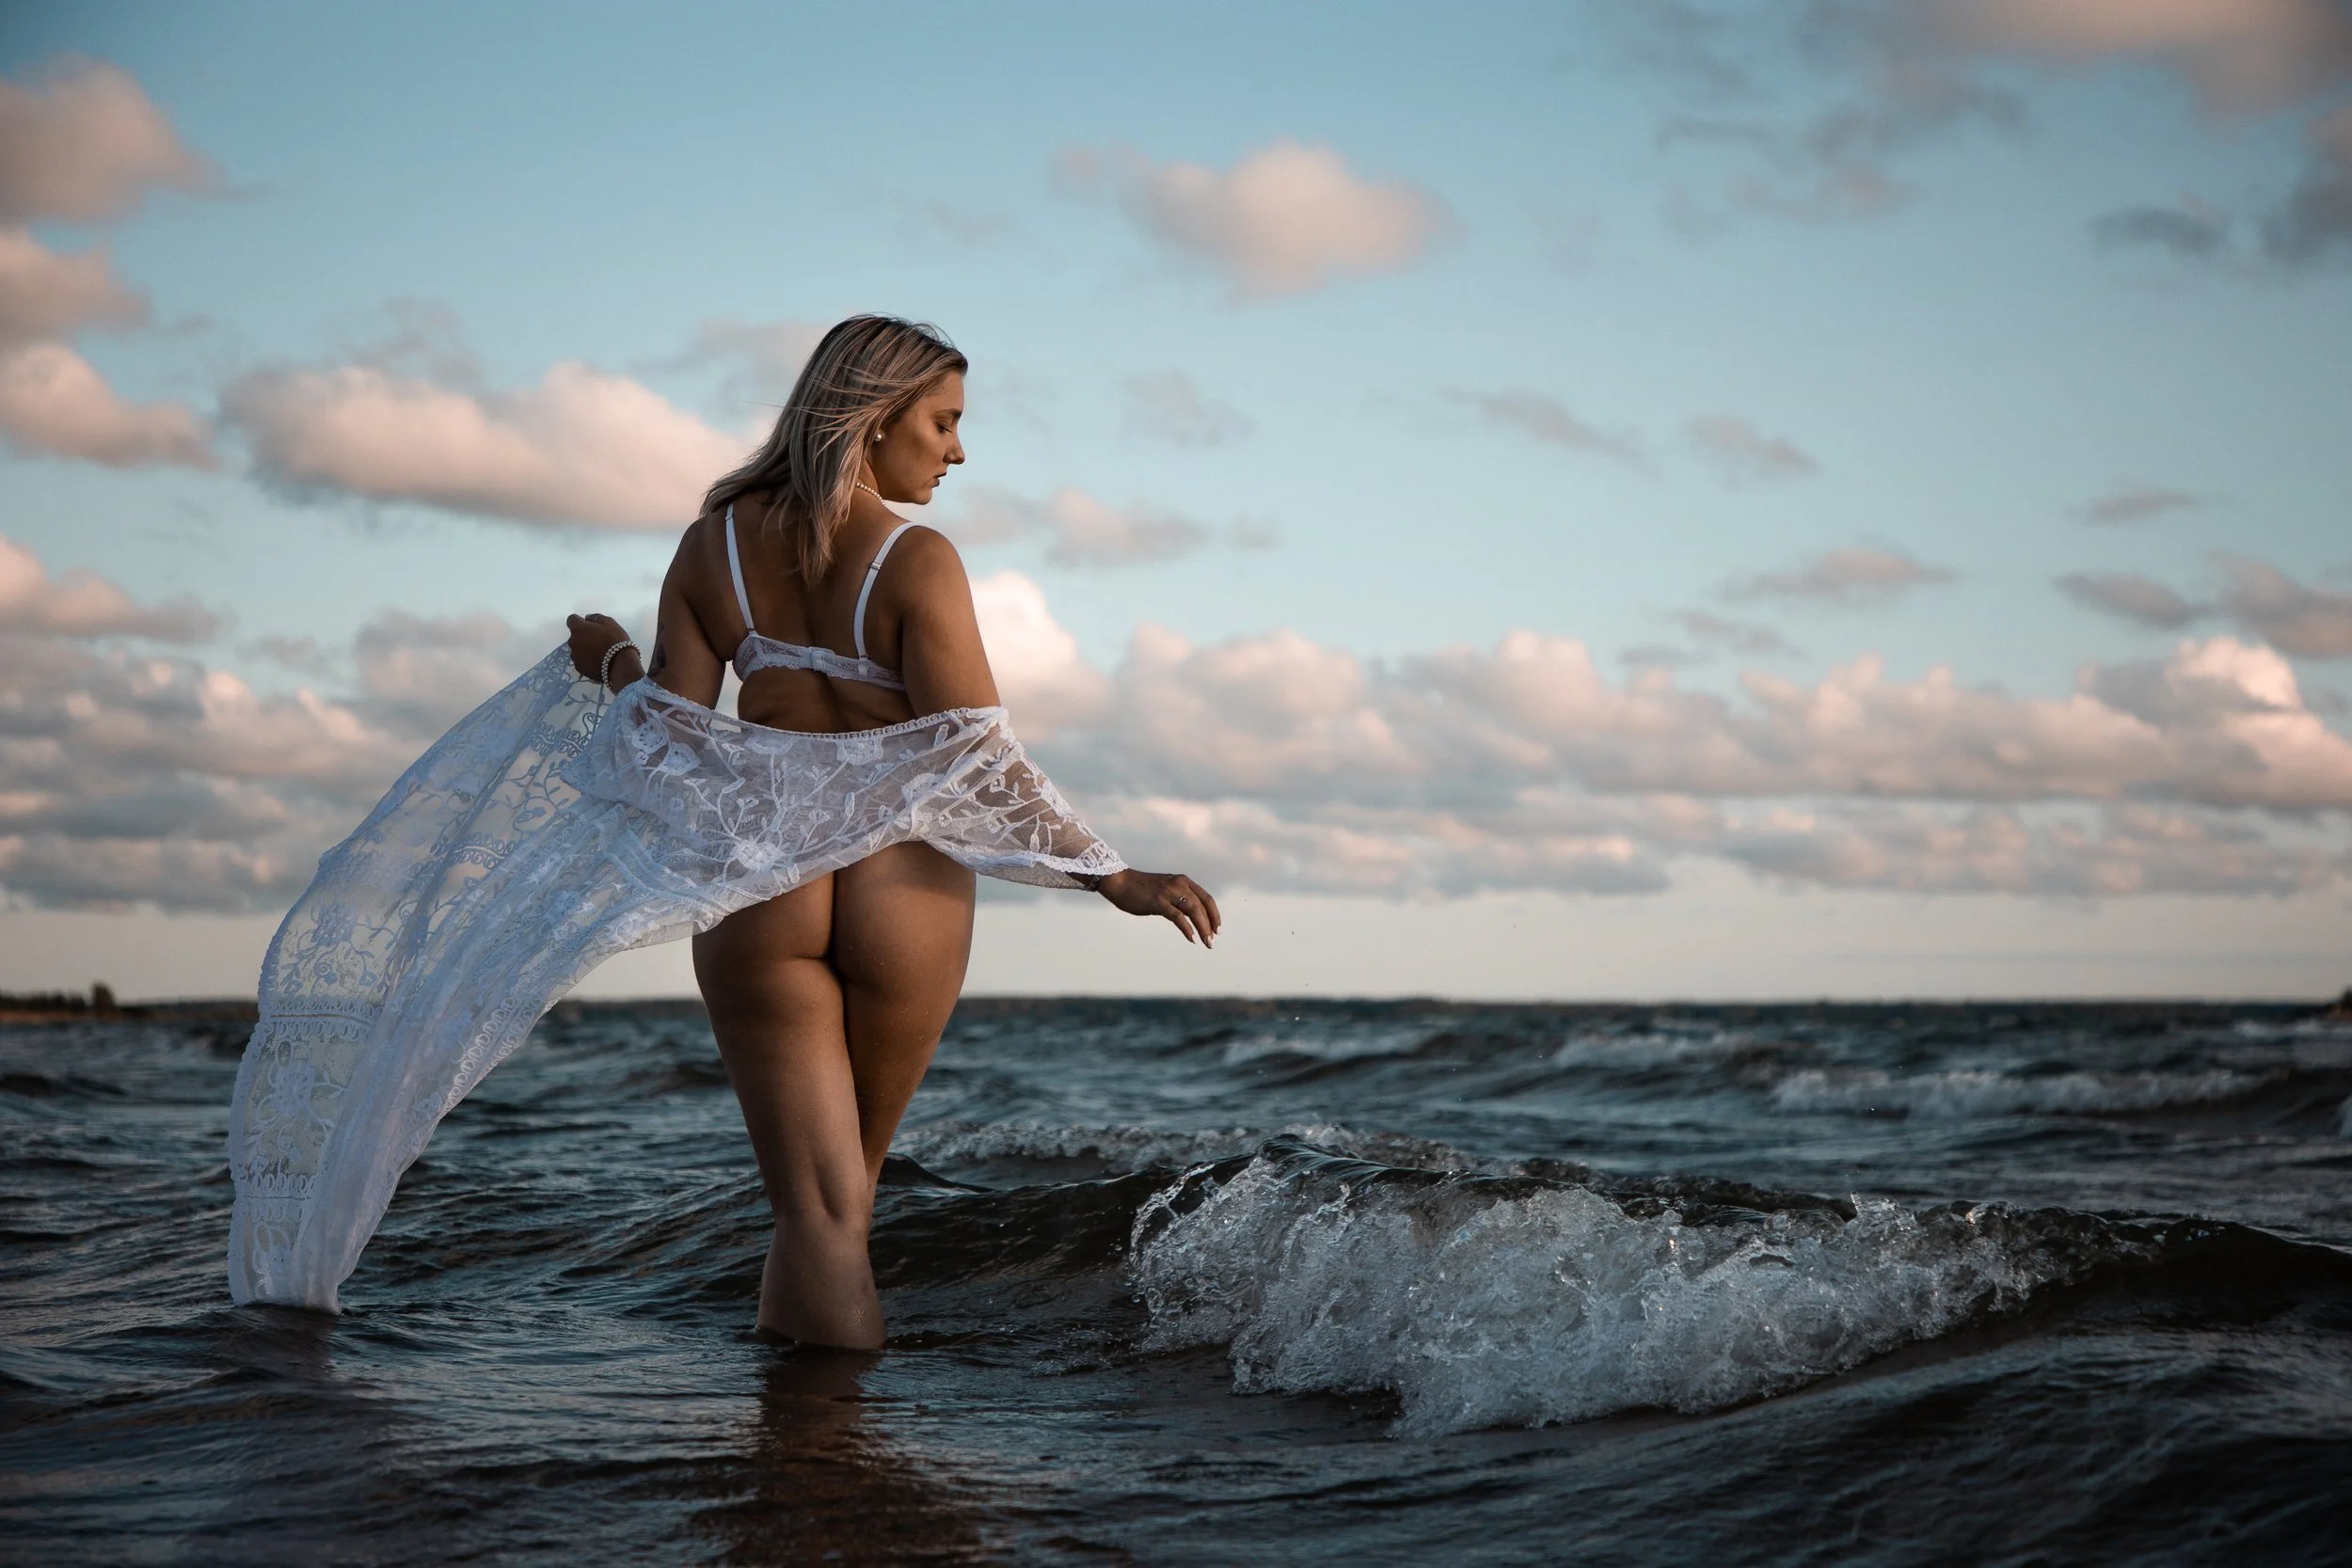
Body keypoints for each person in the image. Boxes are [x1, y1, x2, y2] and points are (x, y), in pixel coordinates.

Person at [560, 315, 1219, 1349]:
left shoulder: (712, 546)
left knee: (817, 1208)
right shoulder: (917, 560)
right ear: (872, 420)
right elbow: (975, 754)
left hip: (762, 875)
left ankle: (807, 1428)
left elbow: (673, 738)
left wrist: (613, 663)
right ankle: (837, 1437)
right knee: (842, 1200)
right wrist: (1109, 875)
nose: (957, 450)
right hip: (900, 885)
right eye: (942, 422)